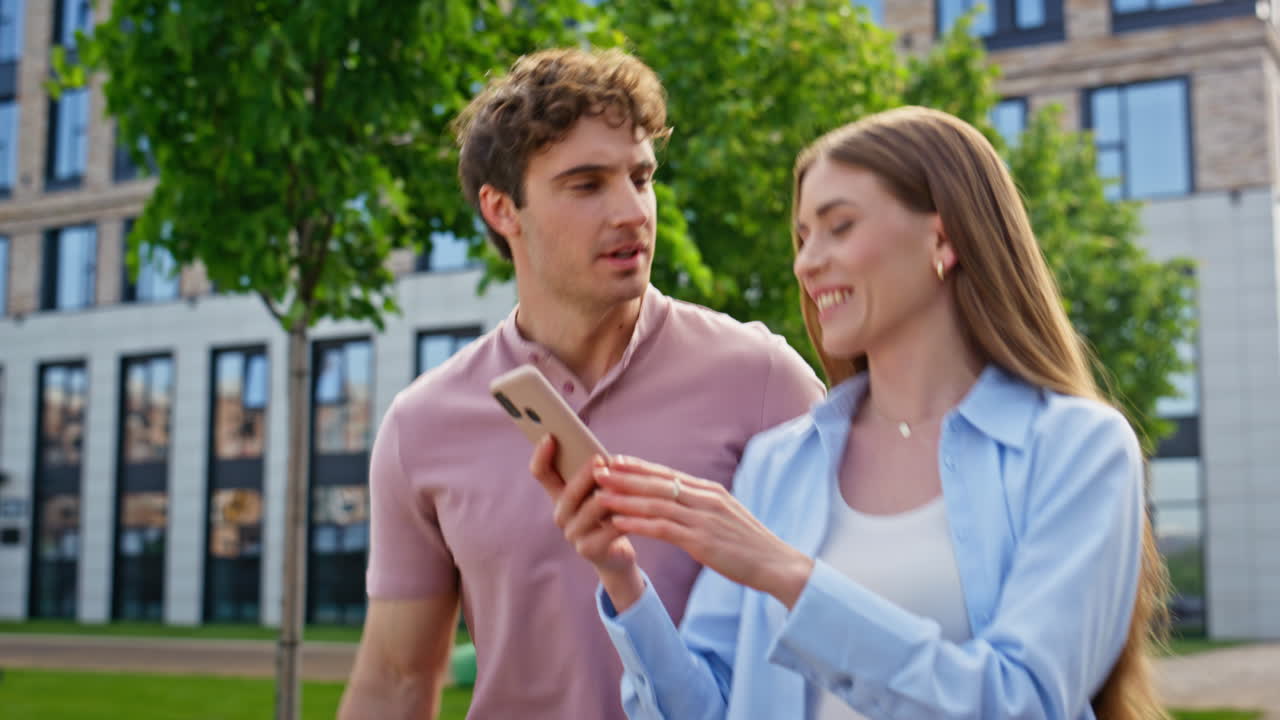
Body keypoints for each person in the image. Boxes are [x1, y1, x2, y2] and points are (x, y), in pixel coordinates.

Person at [536, 106, 1169, 720]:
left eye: (840, 227)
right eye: (804, 237)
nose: (807, 264)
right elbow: (711, 708)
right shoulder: (779, 461)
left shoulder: (1078, 448)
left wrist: (788, 575)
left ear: (942, 238)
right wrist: (623, 580)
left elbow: (1023, 700)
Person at [336, 48, 824, 719]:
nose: (632, 211)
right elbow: (395, 679)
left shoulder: (765, 381)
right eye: (588, 184)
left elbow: (840, 626)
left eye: (641, 177)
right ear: (503, 209)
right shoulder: (422, 425)